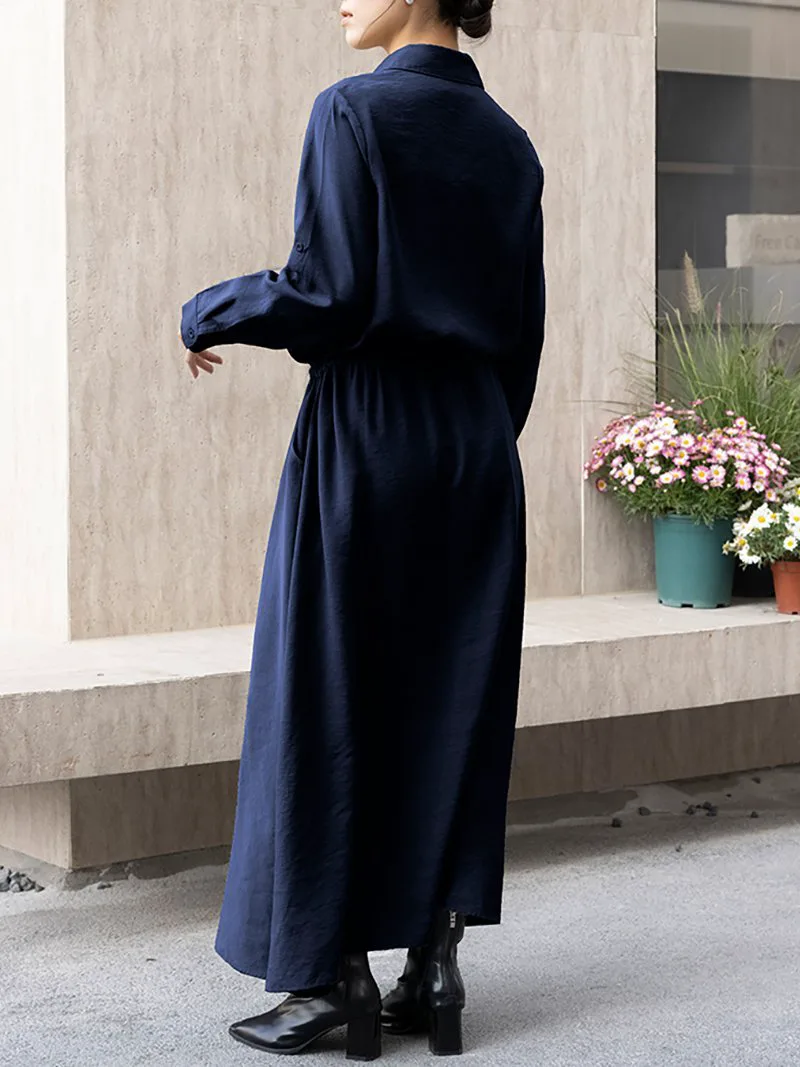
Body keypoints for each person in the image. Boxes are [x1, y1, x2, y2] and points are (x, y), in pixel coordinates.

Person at [180, 0, 545, 1059]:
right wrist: (476, 437)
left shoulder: (352, 111)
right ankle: (433, 967)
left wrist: (206, 309)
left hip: (370, 430)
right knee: (451, 694)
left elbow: (328, 294)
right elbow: (521, 327)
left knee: (327, 688)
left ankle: (328, 976)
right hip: (477, 442)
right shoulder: (509, 142)